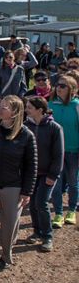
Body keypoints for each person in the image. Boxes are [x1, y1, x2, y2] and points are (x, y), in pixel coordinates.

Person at [0, 96, 37, 269]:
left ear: (15, 112)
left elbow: (31, 165)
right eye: (1, 105)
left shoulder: (27, 135)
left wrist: (27, 191)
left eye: (5, 106)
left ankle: (6, 255)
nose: (0, 108)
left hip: (13, 185)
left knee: (10, 222)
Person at [24, 96, 63, 252]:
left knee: (41, 203)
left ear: (40, 110)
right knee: (33, 204)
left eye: (29, 108)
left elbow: (59, 154)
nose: (26, 110)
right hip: (31, 174)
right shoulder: (25, 126)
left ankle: (47, 236)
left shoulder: (55, 128)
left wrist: (53, 175)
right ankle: (37, 231)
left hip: (47, 174)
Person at [50, 75, 79, 228]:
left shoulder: (77, 105)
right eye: (58, 85)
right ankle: (59, 213)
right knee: (57, 183)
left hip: (73, 152)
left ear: (72, 89)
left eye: (63, 86)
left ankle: (72, 210)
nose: (58, 88)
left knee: (73, 182)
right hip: (55, 153)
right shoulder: (51, 105)